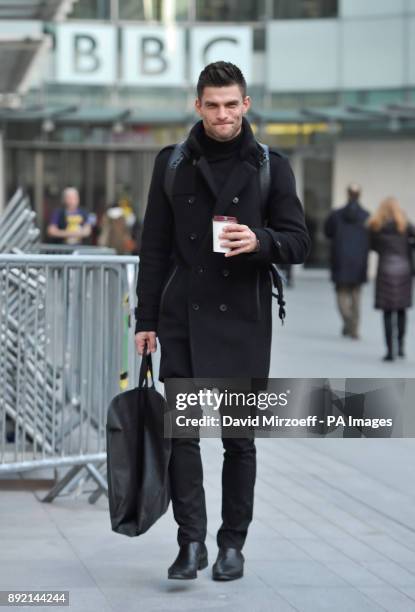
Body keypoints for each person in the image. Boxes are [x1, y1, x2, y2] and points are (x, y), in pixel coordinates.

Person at [134, 61, 310, 581]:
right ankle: (191, 543)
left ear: (246, 105)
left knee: (239, 439)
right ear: (198, 106)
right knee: (183, 436)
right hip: (183, 317)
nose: (222, 115)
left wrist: (261, 241)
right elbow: (155, 250)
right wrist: (146, 320)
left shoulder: (271, 166)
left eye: (231, 104)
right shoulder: (171, 164)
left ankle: (232, 544)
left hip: (244, 319)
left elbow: (298, 240)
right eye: (212, 105)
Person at [368, 197, 414, 361]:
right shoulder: (406, 226)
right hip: (404, 271)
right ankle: (401, 346)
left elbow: (372, 246)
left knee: (387, 312)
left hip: (385, 271)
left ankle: (390, 351)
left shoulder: (375, 227)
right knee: (402, 309)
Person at [324, 184, 370, 339]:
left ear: (348, 194)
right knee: (356, 295)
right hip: (359, 261)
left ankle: (348, 322)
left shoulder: (336, 215)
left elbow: (327, 232)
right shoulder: (366, 216)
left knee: (341, 294)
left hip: (340, 259)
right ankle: (354, 328)